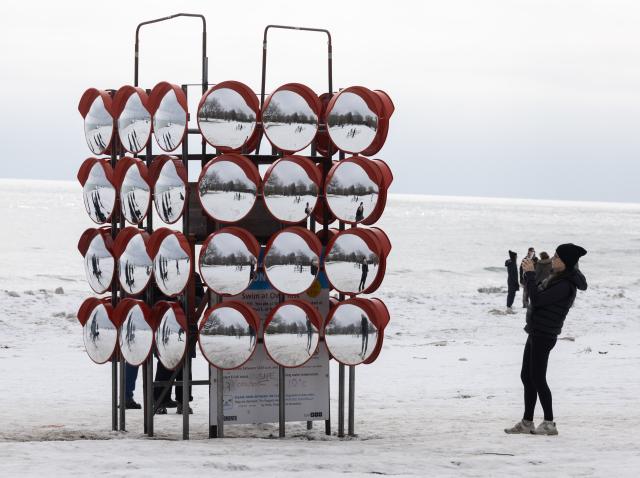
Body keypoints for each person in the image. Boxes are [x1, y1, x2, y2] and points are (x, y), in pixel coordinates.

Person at [505, 243, 587, 436]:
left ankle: (549, 423)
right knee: (527, 376)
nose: (553, 259)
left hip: (545, 334)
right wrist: (527, 274)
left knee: (538, 378)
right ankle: (527, 422)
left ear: (566, 262)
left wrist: (532, 274)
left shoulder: (566, 284)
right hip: (536, 330)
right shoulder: (556, 277)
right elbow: (535, 293)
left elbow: (538, 301)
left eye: (557, 257)